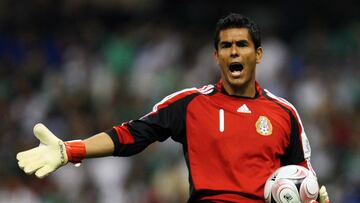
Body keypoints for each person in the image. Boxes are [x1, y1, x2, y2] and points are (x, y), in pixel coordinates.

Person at [16, 13, 330, 203]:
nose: (234, 51)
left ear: (258, 54)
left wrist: (314, 197)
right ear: (216, 55)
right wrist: (71, 150)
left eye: (243, 45)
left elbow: (302, 174)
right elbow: (132, 135)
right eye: (226, 46)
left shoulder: (283, 113)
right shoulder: (192, 104)